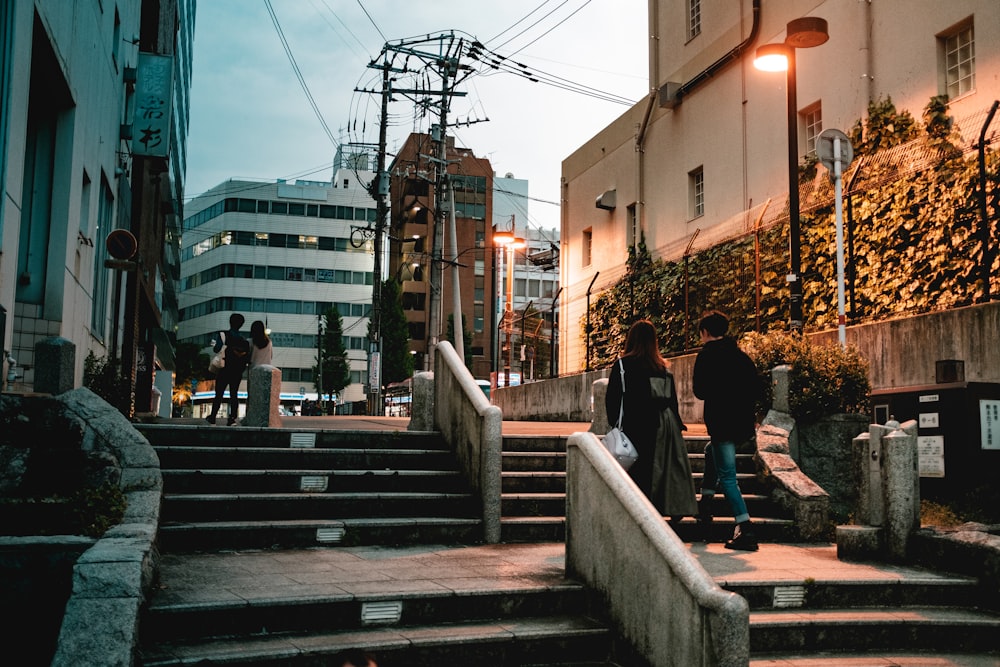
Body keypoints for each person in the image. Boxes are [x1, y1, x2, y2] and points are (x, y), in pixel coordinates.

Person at [605, 319, 698, 520]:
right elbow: (672, 401)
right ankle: (662, 508)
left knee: (632, 470)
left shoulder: (622, 365)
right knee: (656, 468)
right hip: (660, 426)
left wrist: (615, 425)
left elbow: (612, 398)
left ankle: (633, 512)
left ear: (631, 339)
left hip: (631, 425)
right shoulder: (662, 368)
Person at [692, 309, 762, 551]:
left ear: (705, 332)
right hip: (742, 425)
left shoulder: (706, 357)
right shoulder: (741, 357)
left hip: (721, 424)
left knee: (729, 477)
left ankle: (745, 528)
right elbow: (756, 388)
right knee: (711, 451)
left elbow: (699, 391)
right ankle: (706, 503)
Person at [207, 313, 250, 426]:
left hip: (224, 369)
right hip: (237, 372)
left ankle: (212, 417)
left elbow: (216, 349)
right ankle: (232, 419)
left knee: (219, 394)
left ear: (230, 322)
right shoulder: (243, 341)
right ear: (241, 325)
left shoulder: (223, 335)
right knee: (233, 394)